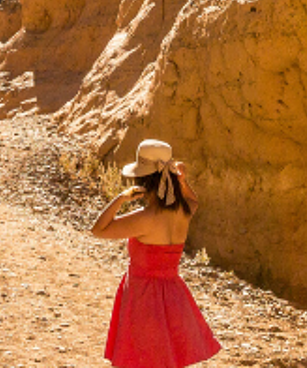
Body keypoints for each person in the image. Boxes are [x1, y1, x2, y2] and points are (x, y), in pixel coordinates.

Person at [90, 139, 221, 368]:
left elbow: (98, 230)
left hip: (144, 297)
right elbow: (193, 200)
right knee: (164, 359)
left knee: (141, 359)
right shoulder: (183, 211)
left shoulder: (145, 218)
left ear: (143, 180)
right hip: (173, 294)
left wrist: (120, 199)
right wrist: (182, 181)